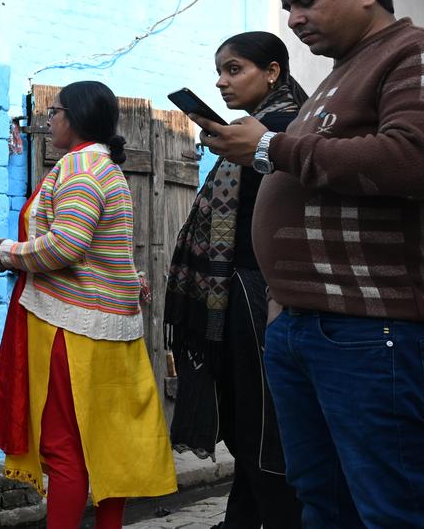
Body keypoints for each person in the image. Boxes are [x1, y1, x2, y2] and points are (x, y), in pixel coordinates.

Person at [195, 0, 424, 528]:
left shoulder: (415, 53)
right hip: (308, 327)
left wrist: (271, 146)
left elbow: (414, 159)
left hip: (373, 329)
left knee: (394, 507)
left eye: (307, 0)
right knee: (324, 502)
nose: (295, 19)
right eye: (287, 7)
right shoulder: (339, 75)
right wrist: (285, 301)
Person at [0, 81, 177, 529]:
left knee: (63, 450)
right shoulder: (106, 169)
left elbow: (66, 247)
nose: (49, 120)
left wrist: (7, 253)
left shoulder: (80, 169)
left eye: (54, 112)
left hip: (71, 331)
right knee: (110, 445)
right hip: (112, 327)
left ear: (75, 118)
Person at [166, 32, 307, 529]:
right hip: (241, 293)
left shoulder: (283, 131)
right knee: (249, 424)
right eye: (219, 72)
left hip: (258, 296)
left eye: (234, 69)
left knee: (260, 424)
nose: (222, 82)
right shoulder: (250, 133)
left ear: (272, 72)